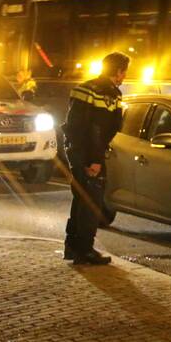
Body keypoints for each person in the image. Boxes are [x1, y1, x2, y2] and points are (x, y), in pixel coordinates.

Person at [62, 52, 129, 265]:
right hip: (91, 153)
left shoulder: (83, 88)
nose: (124, 76)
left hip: (75, 149)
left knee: (80, 197)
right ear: (118, 71)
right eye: (124, 71)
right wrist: (96, 160)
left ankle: (72, 247)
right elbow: (98, 130)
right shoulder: (108, 94)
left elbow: (74, 124)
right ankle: (85, 250)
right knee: (92, 202)